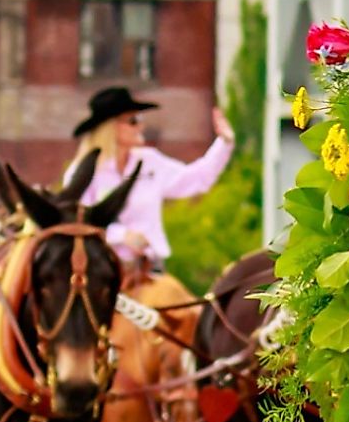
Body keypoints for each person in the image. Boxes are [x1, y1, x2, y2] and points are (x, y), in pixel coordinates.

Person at [70, 85, 235, 297]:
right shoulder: (85, 172)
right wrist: (122, 236)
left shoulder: (149, 162)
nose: (141, 126)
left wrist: (224, 143)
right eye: (133, 121)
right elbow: (77, 222)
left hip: (149, 272)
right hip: (101, 273)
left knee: (184, 317)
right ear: (111, 127)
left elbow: (196, 179)